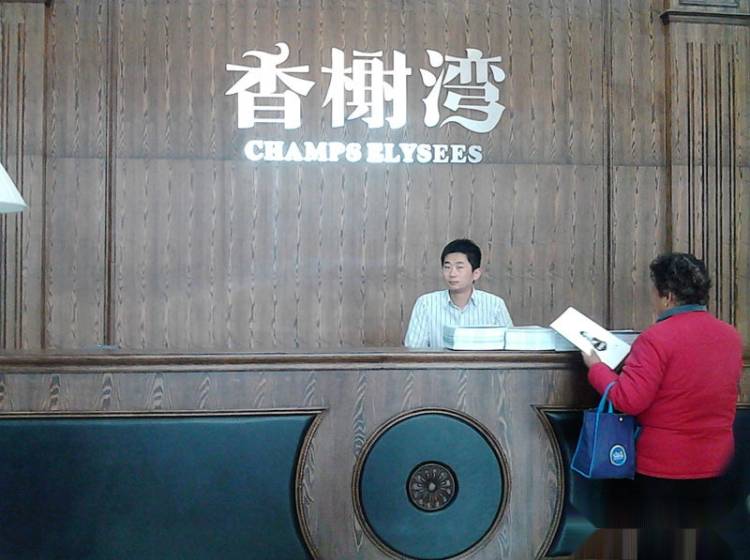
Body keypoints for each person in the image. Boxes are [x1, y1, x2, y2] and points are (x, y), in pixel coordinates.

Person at [581, 253, 743, 558]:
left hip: (664, 469)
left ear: (667, 296)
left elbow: (629, 400)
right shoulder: (730, 336)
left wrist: (596, 368)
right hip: (718, 462)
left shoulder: (656, 338)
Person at [404, 239, 512, 348]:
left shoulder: (495, 305)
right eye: (447, 267)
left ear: (476, 273)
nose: (452, 273)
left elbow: (510, 349)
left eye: (459, 267)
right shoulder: (426, 304)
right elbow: (413, 350)